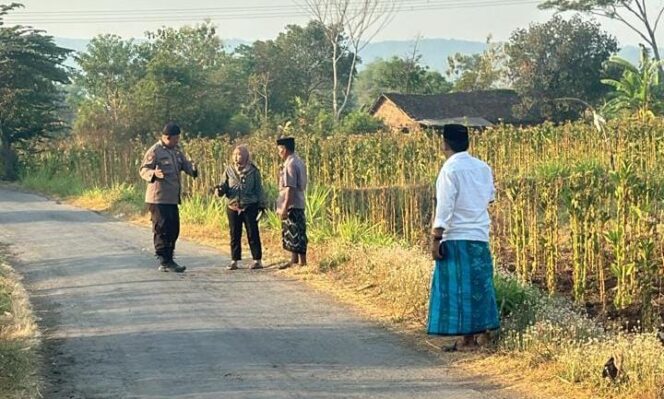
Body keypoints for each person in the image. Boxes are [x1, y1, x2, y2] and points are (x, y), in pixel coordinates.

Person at [427, 124, 500, 350]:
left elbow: (445, 206)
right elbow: (490, 198)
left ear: (444, 144)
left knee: (458, 290)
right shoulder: (483, 168)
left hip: (456, 237)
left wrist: (436, 236)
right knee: (479, 286)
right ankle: (480, 335)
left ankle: (467, 340)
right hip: (479, 235)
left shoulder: (449, 170)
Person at [139, 122, 198, 273]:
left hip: (172, 198)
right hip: (158, 198)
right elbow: (143, 170)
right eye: (175, 139)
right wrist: (154, 174)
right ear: (166, 137)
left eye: (178, 139)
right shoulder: (155, 151)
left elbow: (186, 166)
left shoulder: (177, 151)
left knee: (174, 229)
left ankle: (169, 257)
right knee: (162, 229)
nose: (177, 142)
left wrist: (193, 169)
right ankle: (165, 260)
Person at [215, 145, 266, 270]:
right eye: (235, 154)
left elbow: (258, 189)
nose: (236, 157)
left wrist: (262, 205)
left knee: (252, 233)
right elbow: (223, 185)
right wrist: (220, 190)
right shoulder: (229, 170)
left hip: (249, 205)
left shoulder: (253, 171)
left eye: (239, 154)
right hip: (233, 206)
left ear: (246, 156)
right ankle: (234, 260)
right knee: (234, 234)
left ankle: (257, 260)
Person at [275, 137, 308, 269]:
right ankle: (294, 259)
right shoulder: (297, 161)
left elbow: (290, 188)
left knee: (296, 232)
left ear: (284, 149)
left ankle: (302, 262)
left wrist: (284, 207)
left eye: (279, 150)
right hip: (296, 203)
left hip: (292, 204)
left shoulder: (290, 164)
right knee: (293, 232)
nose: (279, 152)